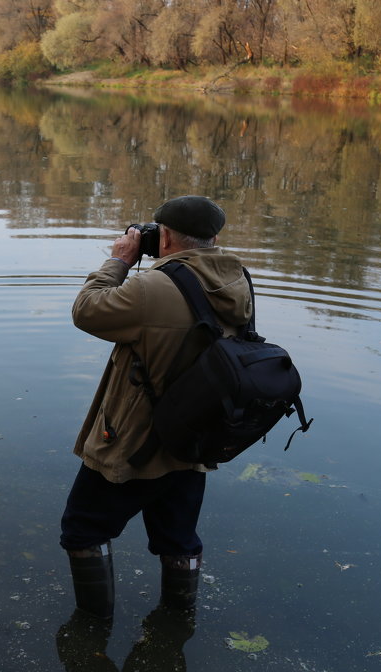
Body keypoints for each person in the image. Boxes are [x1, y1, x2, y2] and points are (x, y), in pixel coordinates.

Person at [59, 195, 252, 621]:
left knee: (82, 530)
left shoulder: (151, 288)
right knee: (178, 538)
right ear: (214, 238)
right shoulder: (238, 281)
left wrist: (120, 261)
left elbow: (86, 310)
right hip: (196, 438)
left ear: (164, 236)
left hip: (136, 441)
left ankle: (92, 629)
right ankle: (177, 618)